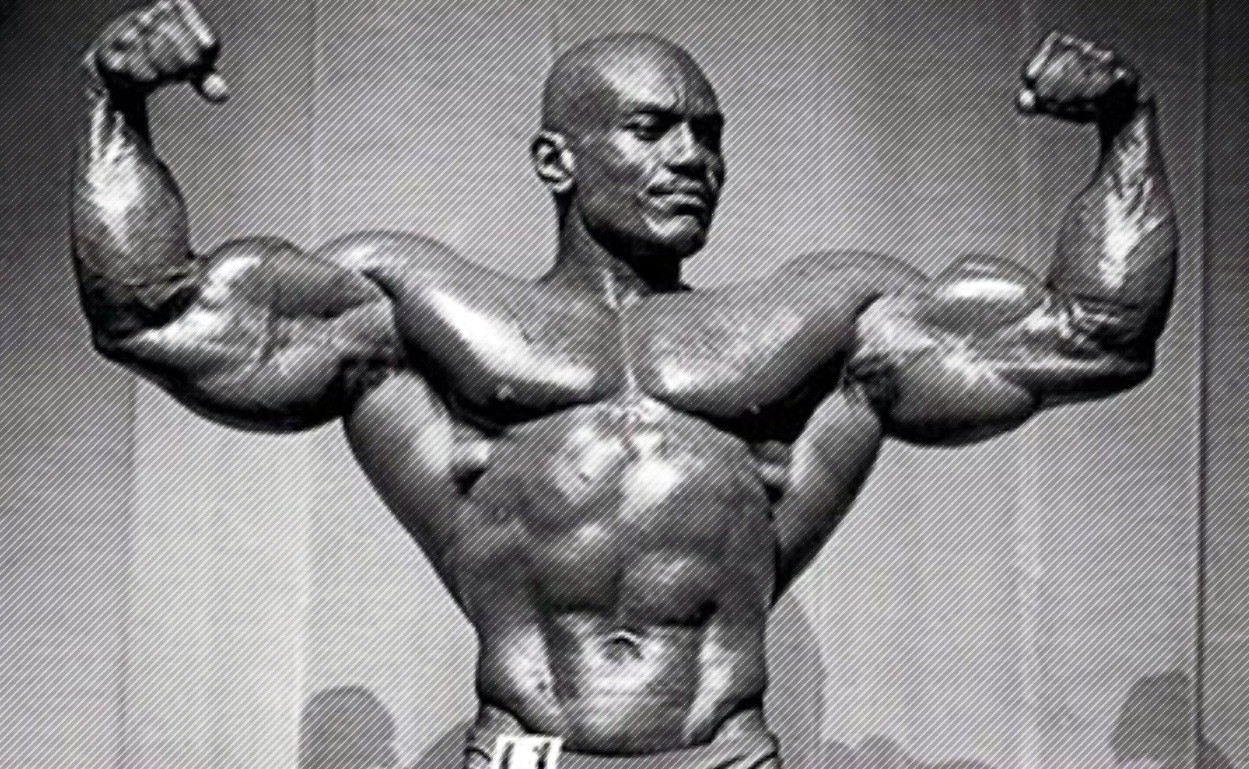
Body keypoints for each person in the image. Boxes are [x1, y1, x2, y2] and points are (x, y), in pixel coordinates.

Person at [71, 1, 1178, 767]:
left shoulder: (820, 321)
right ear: (556, 160)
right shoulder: (414, 311)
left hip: (722, 750)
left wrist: (1125, 127)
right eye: (651, 130)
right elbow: (154, 312)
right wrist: (117, 102)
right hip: (526, 749)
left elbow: (1093, 334)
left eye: (708, 134)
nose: (692, 157)